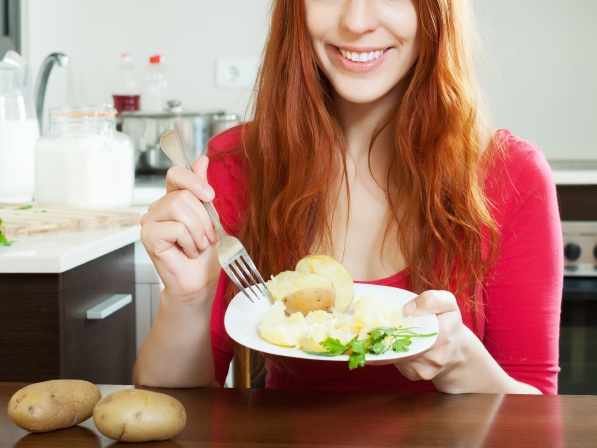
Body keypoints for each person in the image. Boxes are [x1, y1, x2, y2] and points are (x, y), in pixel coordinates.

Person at [133, 0, 562, 394]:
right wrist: (186, 301)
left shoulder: (513, 177)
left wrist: (461, 362)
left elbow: (538, 421)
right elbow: (174, 412)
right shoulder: (236, 165)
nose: (356, 21)